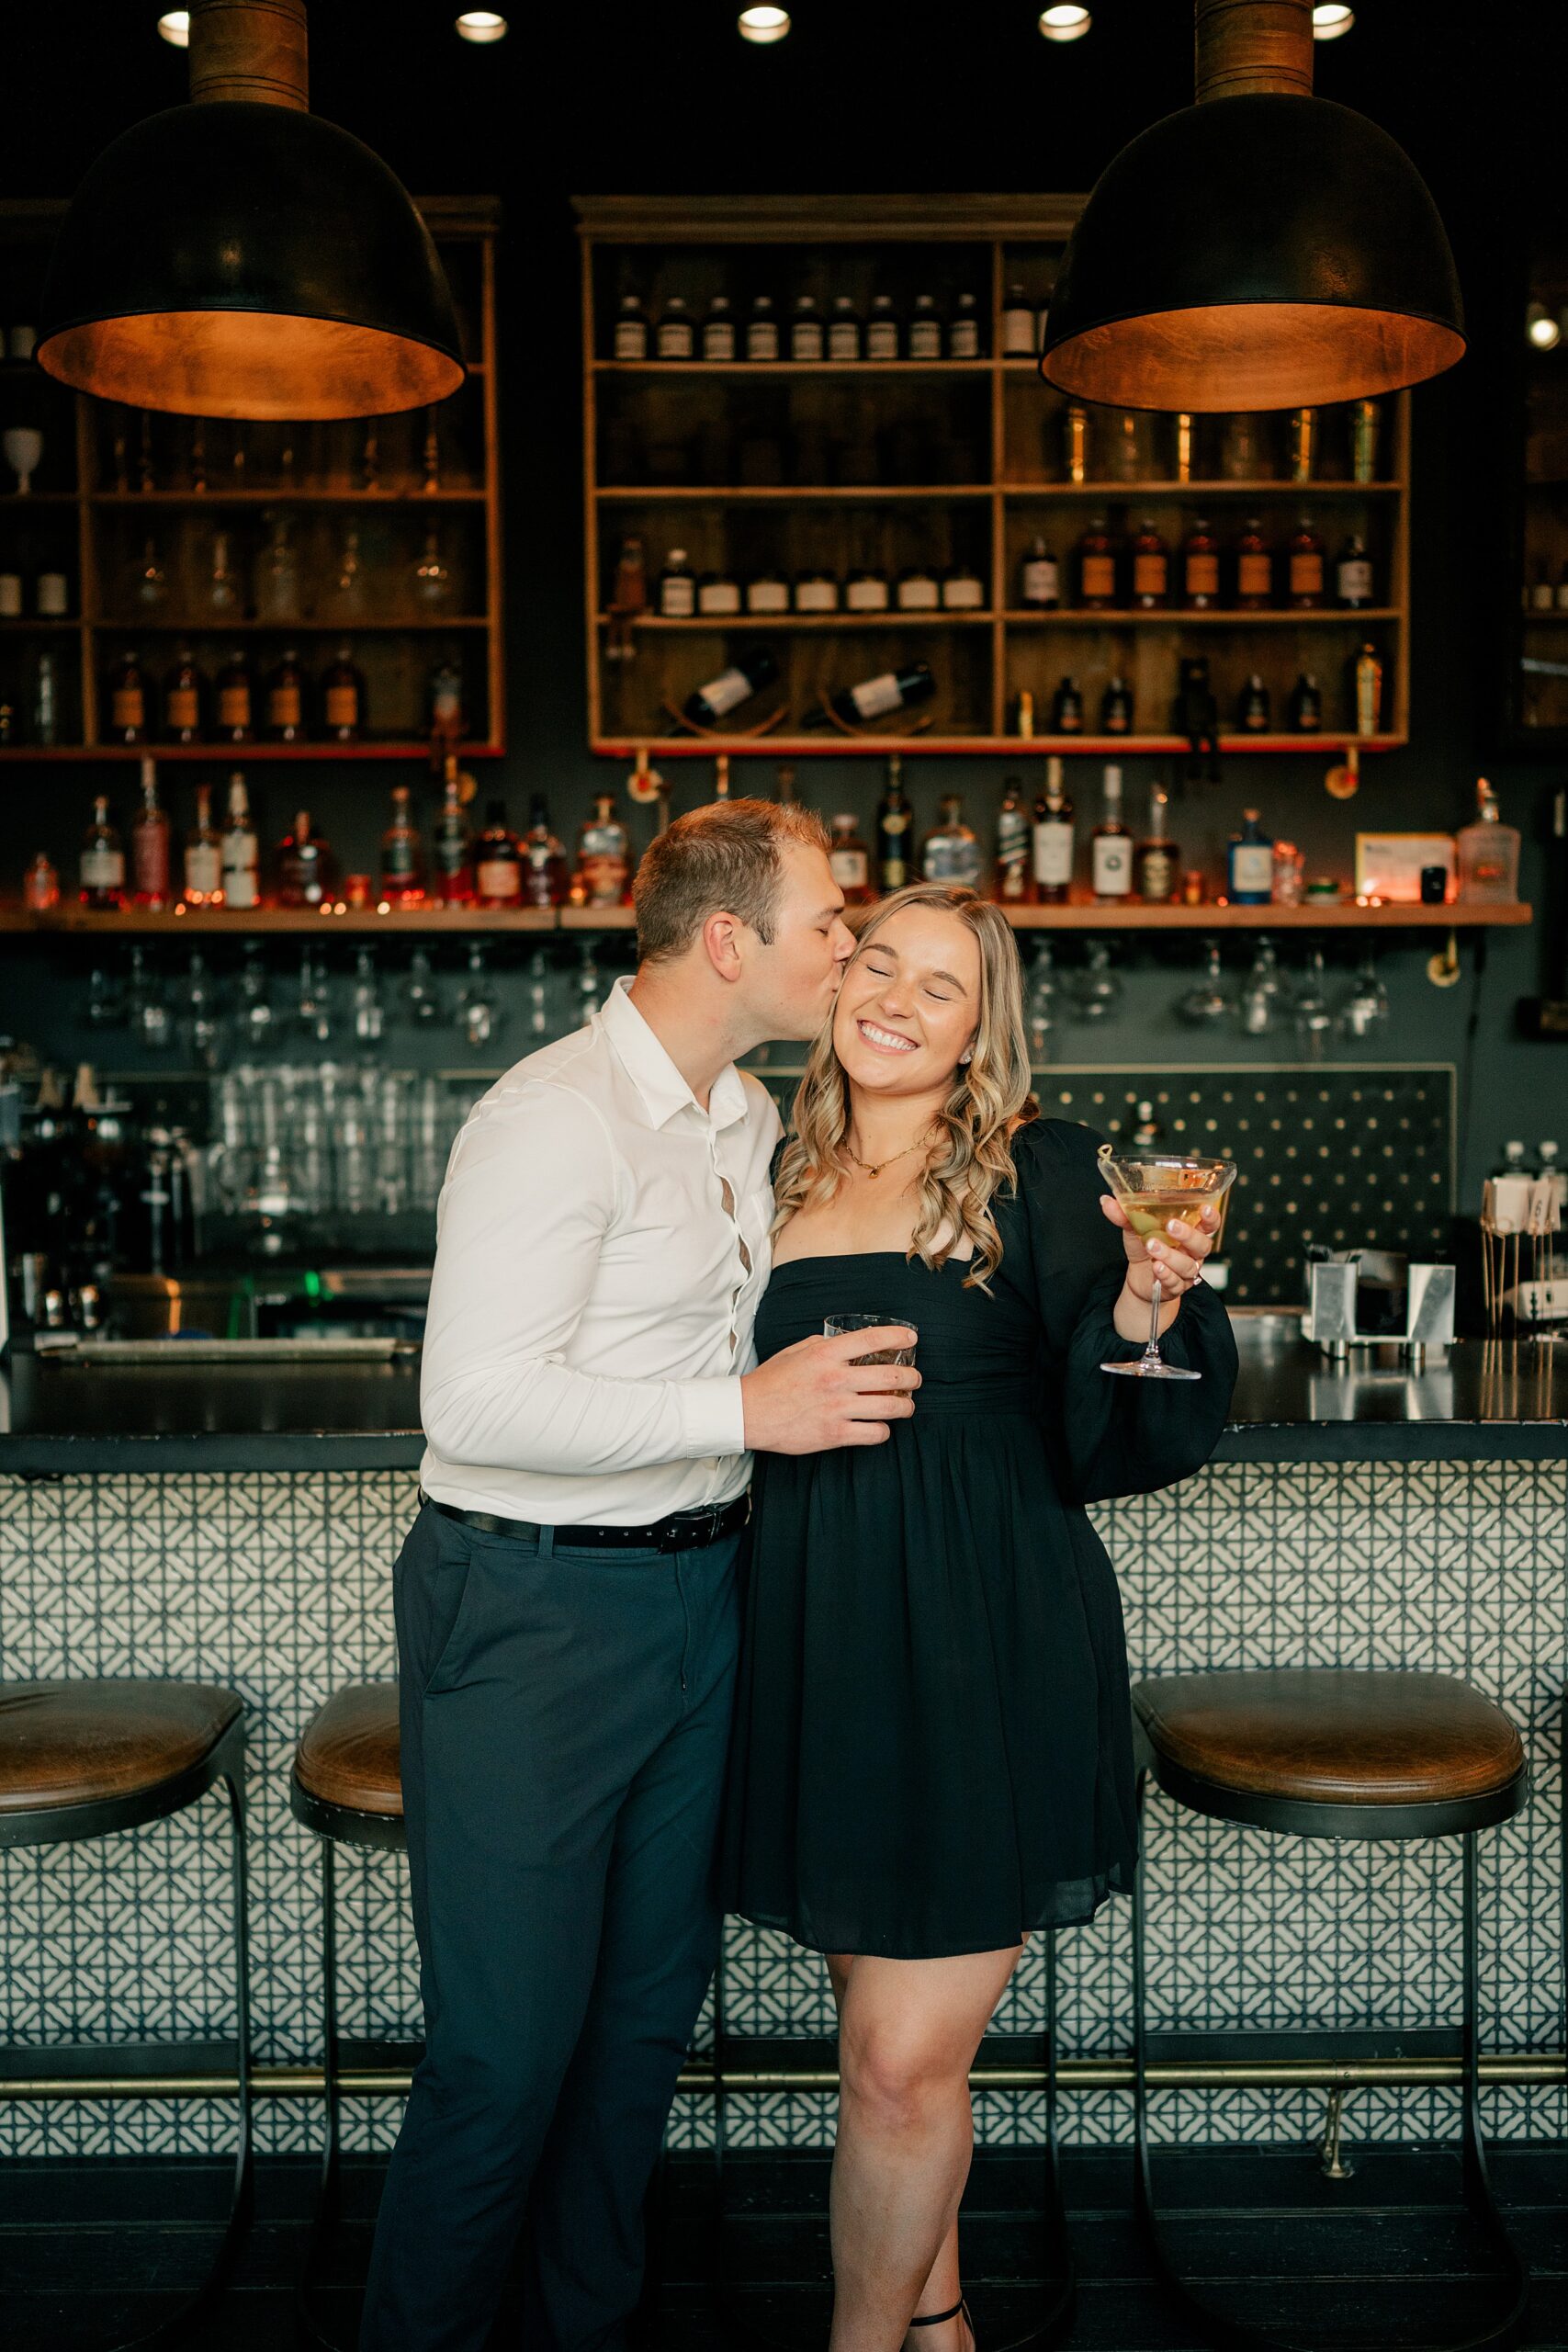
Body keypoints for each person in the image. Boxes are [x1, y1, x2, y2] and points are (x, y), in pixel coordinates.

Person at [360, 798, 920, 2352]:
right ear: (730, 938)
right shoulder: (556, 1116)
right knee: (506, 2054)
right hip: (535, 1612)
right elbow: (471, 1403)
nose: (852, 952)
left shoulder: (745, 1115)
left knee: (634, 2039)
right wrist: (744, 1412)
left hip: (702, 1599)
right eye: (830, 924)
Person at [721, 883, 1239, 2352]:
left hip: (981, 1641)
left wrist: (1146, 1311)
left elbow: (1117, 1416)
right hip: (813, 1635)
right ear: (834, 981)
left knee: (895, 2065)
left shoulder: (1041, 1162)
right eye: (876, 961)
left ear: (978, 1031)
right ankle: (941, 2320)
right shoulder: (764, 1163)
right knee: (888, 2051)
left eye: (939, 987)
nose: (895, 997)